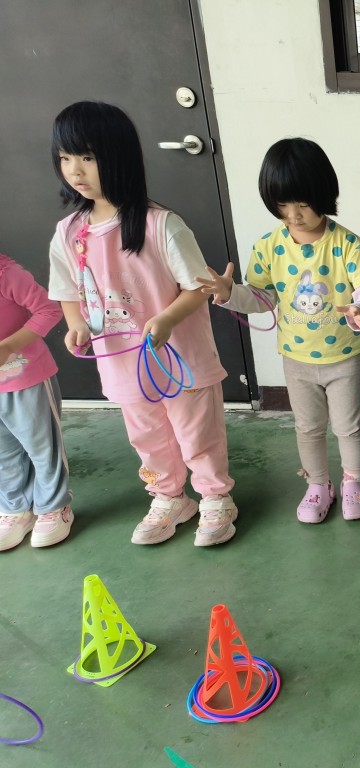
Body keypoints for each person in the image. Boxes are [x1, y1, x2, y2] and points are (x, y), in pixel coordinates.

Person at [47, 101, 237, 547]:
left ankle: (215, 497)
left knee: (197, 434)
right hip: (123, 364)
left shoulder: (160, 224)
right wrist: (75, 325)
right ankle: (169, 497)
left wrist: (167, 318)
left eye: (87, 157)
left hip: (181, 361)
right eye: (65, 158)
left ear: (119, 157)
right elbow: (67, 290)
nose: (75, 170)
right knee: (148, 438)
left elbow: (199, 288)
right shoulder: (68, 231)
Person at [198, 138, 360, 523]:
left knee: (348, 427)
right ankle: (318, 485)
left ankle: (353, 482)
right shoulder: (269, 246)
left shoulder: (347, 244)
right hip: (296, 359)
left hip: (344, 357)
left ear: (324, 195)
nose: (294, 215)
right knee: (308, 427)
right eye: (283, 205)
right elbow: (262, 298)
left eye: (303, 203)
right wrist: (230, 294)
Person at [0, 253, 74, 551]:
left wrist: (8, 346)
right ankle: (15, 509)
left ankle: (54, 506)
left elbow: (48, 309)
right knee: (3, 453)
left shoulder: (7, 274)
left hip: (26, 378)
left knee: (42, 447)